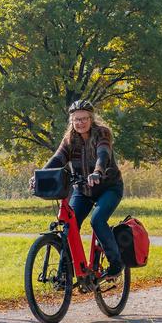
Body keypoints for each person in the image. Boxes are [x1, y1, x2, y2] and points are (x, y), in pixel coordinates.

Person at [34, 99, 125, 278]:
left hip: (109, 187)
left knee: (97, 220)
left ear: (91, 119)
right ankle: (64, 276)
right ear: (71, 121)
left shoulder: (102, 133)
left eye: (84, 119)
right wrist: (39, 176)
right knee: (69, 227)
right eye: (76, 120)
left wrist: (98, 172)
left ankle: (116, 263)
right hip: (83, 190)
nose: (80, 123)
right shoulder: (70, 139)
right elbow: (57, 159)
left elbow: (103, 155)